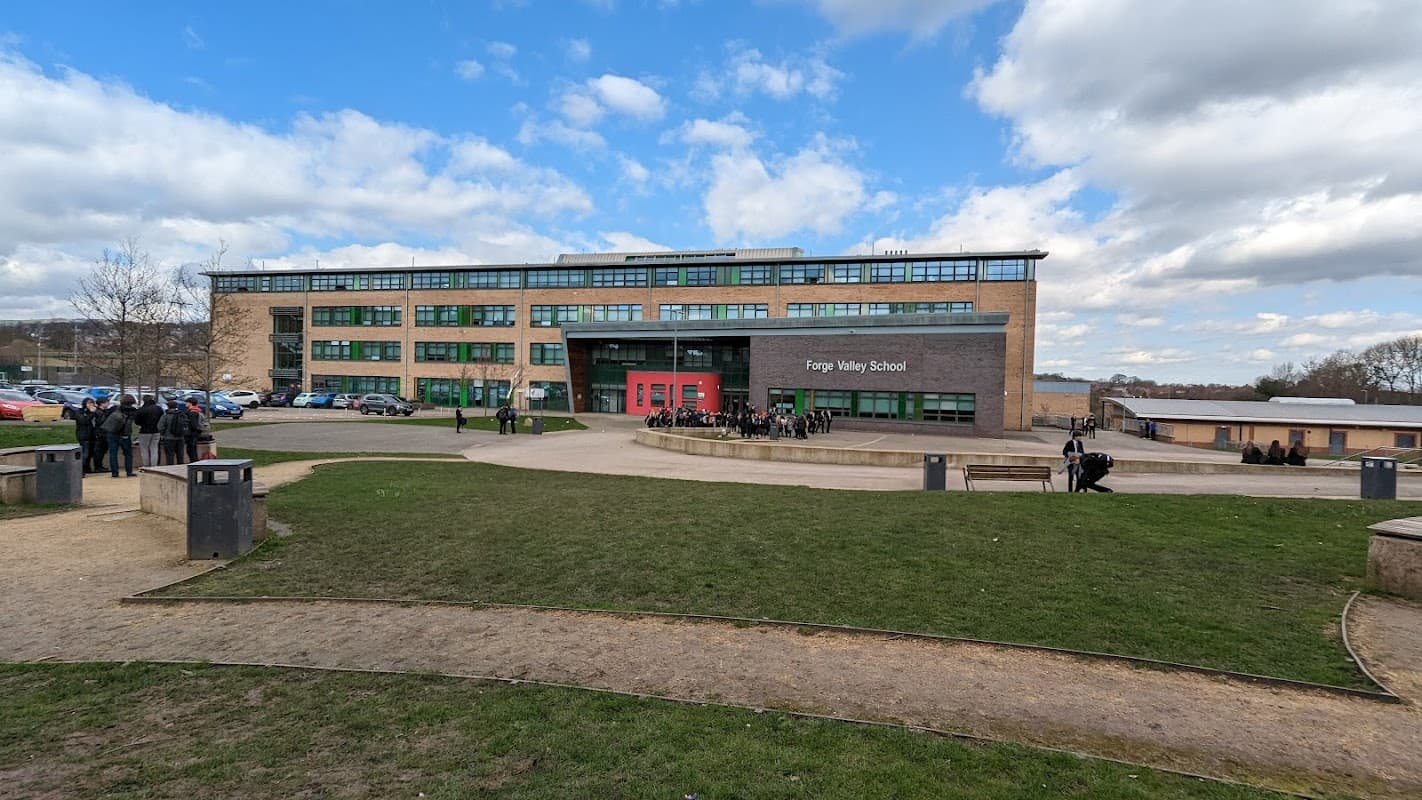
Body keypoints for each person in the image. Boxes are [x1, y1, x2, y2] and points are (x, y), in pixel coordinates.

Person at [101, 394, 138, 478]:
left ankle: (115, 472)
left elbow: (106, 417)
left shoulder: (115, 409)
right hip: (125, 433)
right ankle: (129, 472)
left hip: (113, 433)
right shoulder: (133, 411)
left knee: (113, 453)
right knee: (128, 454)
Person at [157, 399, 189, 466]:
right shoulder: (182, 414)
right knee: (180, 455)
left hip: (169, 438)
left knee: (170, 455)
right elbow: (186, 425)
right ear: (176, 406)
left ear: (168, 406)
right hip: (180, 438)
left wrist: (163, 434)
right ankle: (180, 468)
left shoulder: (165, 416)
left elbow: (160, 427)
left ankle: (171, 468)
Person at [135, 395, 163, 468]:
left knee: (144, 449)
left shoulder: (141, 409)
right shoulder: (159, 408)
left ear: (143, 400)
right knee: (154, 448)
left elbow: (137, 421)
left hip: (144, 431)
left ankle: (146, 465)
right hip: (156, 431)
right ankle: (154, 466)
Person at [74, 397, 99, 474]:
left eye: (92, 403)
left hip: (92, 435)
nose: (90, 405)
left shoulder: (94, 412)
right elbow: (83, 421)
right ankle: (81, 470)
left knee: (91, 453)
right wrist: (91, 413)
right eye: (88, 403)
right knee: (85, 454)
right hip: (84, 435)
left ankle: (87, 468)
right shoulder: (80, 412)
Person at [90, 397, 111, 473]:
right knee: (99, 451)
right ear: (102, 403)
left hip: (103, 433)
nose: (108, 404)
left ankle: (100, 466)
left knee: (102, 451)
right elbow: (99, 422)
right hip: (100, 434)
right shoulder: (98, 412)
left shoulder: (103, 412)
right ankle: (98, 466)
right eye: (107, 402)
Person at [184, 398, 208, 462]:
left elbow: (193, 425)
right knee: (193, 449)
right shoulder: (198, 410)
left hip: (192, 434)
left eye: (186, 402)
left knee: (191, 450)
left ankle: (194, 463)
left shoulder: (192, 412)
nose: (185, 404)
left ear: (190, 403)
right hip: (196, 433)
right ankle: (195, 462)